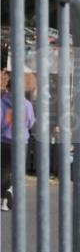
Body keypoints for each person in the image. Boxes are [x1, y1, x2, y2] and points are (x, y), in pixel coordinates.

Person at [0, 71, 37, 211]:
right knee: (19, 170)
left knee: (4, 169)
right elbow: (30, 123)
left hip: (4, 141)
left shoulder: (2, 103)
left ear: (7, 88)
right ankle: (12, 193)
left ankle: (3, 197)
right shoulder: (27, 104)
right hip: (21, 142)